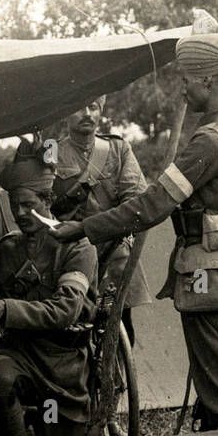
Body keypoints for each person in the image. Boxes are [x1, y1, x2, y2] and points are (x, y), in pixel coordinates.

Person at [50, 26, 218, 432]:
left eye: (188, 80)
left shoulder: (211, 140)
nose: (183, 90)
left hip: (209, 279)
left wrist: (82, 229)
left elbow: (151, 205)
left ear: (209, 80)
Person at [0, 153, 99, 436]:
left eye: (28, 205)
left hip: (63, 361)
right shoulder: (8, 248)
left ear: (48, 200)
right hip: (22, 351)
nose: (19, 213)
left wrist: (7, 309)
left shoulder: (76, 247)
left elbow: (66, 310)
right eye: (15, 205)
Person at [48, 96, 153, 318]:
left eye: (93, 107)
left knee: (118, 326)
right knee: (69, 321)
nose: (87, 113)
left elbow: (136, 202)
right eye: (79, 107)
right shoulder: (51, 152)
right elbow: (41, 200)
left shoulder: (118, 148)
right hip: (70, 252)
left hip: (114, 251)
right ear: (66, 113)